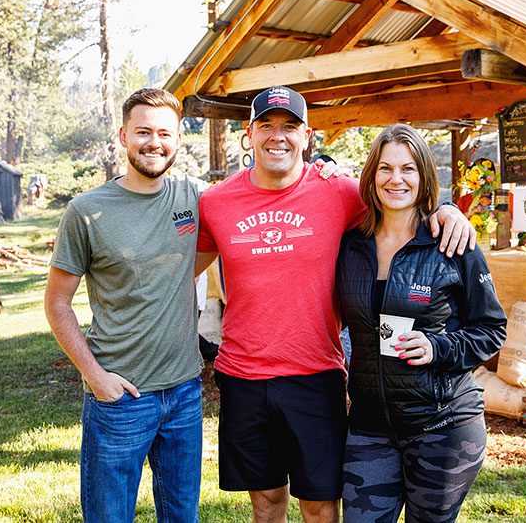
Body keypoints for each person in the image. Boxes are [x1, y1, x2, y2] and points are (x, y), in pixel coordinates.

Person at [195, 86, 476, 523]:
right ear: (248, 134)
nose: (277, 136)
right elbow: (178, 271)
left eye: (289, 127)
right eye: (266, 125)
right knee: (265, 504)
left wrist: (446, 209)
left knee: (321, 507)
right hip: (243, 376)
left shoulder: (339, 192)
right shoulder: (215, 203)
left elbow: (400, 195)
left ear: (307, 136)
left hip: (316, 376)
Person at [44, 88, 206, 523]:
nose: (155, 142)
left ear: (178, 138)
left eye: (165, 133)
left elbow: (256, 192)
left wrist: (319, 172)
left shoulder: (194, 196)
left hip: (186, 392)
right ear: (123, 135)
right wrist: (94, 376)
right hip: (119, 398)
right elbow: (57, 303)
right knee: (109, 516)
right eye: (143, 132)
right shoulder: (86, 211)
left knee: (183, 516)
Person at [336, 124, 507, 522]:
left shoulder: (450, 242)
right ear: (371, 176)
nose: (396, 179)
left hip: (442, 425)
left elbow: (492, 329)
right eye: (385, 168)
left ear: (425, 176)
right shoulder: (350, 245)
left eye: (408, 169)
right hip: (369, 426)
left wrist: (437, 347)